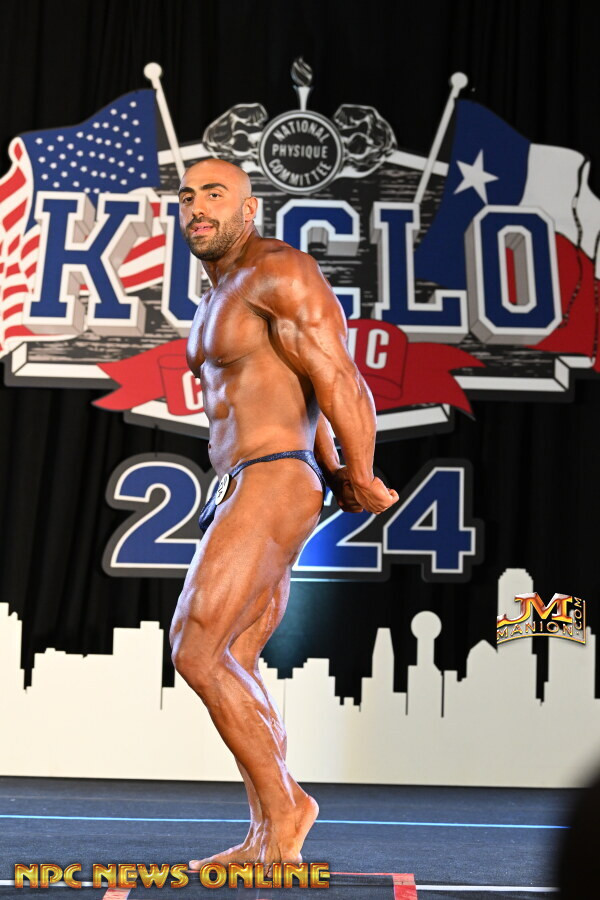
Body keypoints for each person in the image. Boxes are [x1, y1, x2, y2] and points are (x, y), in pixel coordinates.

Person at [170, 157, 398, 870]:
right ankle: (267, 836)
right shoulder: (217, 293)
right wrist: (333, 467)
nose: (197, 207)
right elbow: (297, 390)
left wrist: (360, 472)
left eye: (215, 194)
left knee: (196, 650)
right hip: (250, 478)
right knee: (234, 658)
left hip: (272, 478)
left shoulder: (278, 270)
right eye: (187, 196)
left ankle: (289, 807)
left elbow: (336, 375)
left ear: (249, 209)